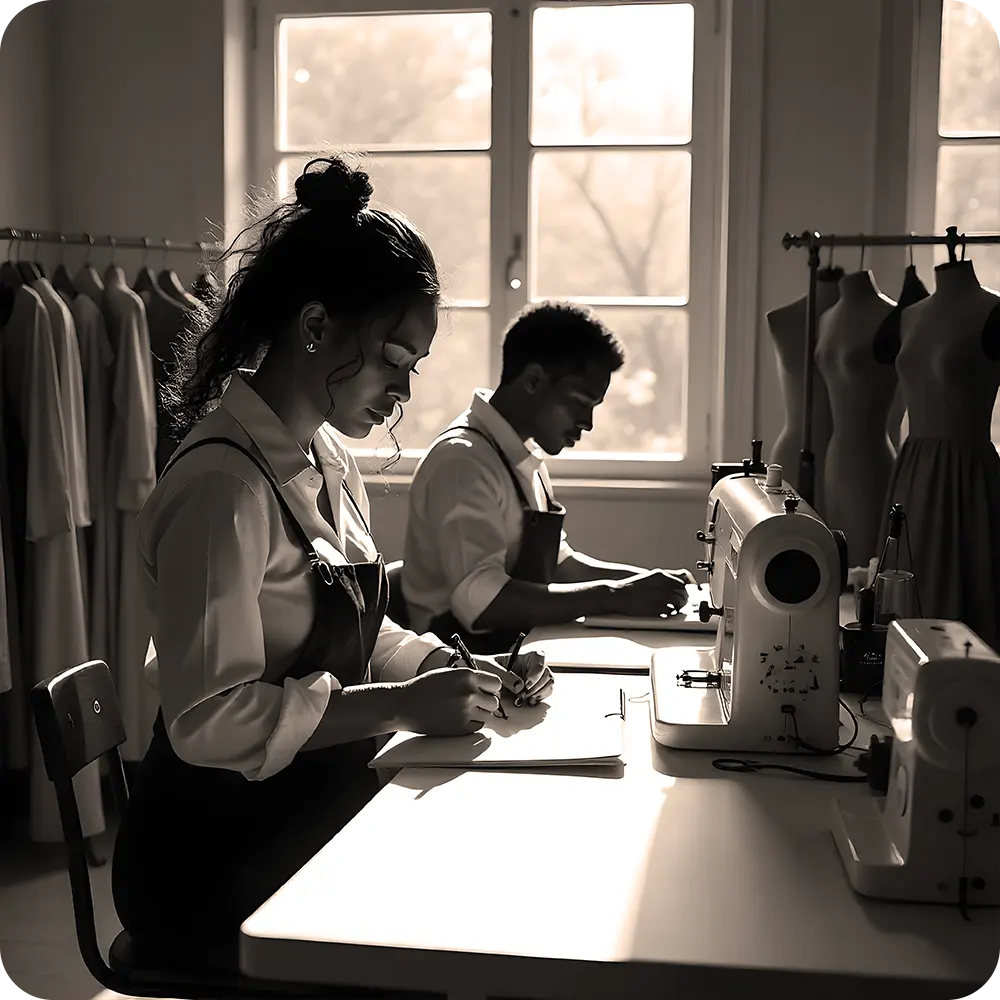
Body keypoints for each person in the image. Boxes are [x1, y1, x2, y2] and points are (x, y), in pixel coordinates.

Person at [110, 156, 554, 973]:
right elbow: (208, 721)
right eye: (393, 358)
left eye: (412, 367)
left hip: (299, 804)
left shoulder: (326, 459)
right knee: (464, 921)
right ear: (315, 326)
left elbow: (353, 627)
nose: (403, 391)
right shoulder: (223, 487)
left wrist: (448, 667)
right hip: (208, 856)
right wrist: (402, 705)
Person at [402, 301, 697, 654]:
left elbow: (557, 565)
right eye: (580, 402)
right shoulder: (463, 461)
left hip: (515, 651)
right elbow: (482, 603)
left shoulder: (520, 452)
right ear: (533, 380)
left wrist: (644, 582)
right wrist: (613, 595)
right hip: (461, 665)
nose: (588, 423)